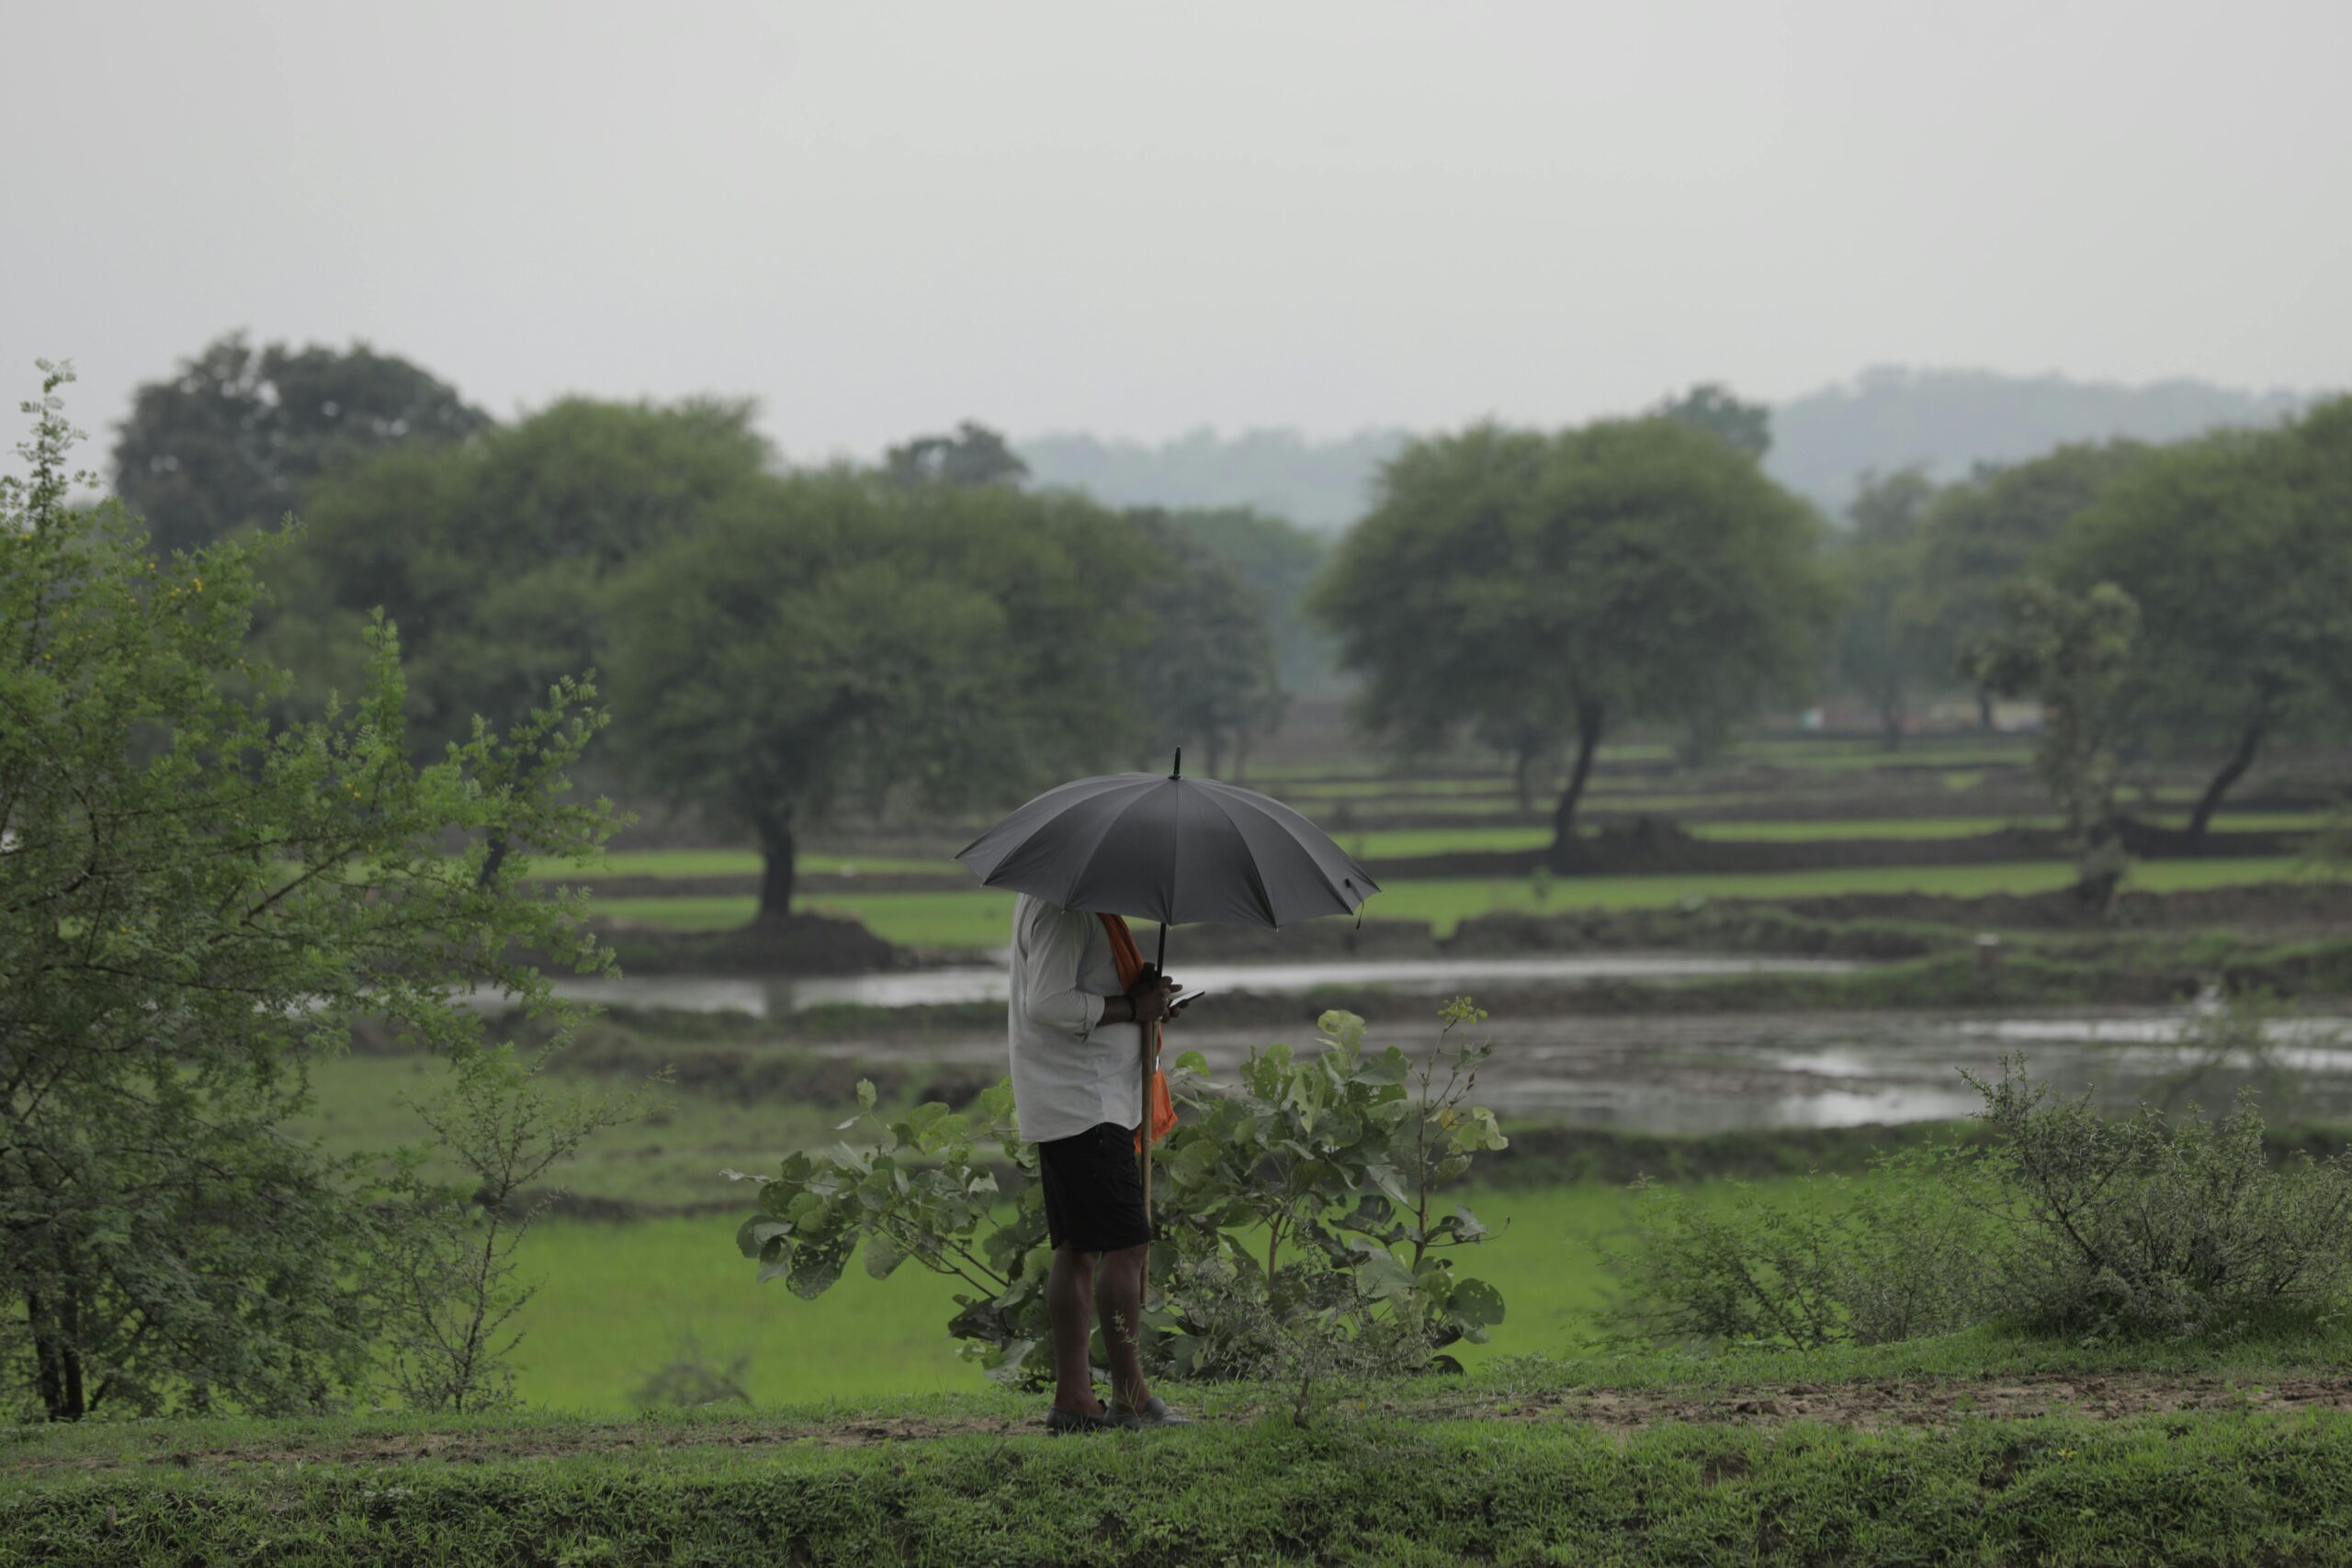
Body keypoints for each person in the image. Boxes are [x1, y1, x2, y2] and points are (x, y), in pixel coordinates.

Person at [1007, 890, 1194, 1433]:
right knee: (1126, 1242)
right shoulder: (1065, 909)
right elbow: (1048, 1002)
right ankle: (1129, 1396)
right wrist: (1133, 1009)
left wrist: (1142, 999)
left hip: (1079, 1098)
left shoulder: (1066, 903)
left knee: (1079, 1248)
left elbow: (1075, 989)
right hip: (1083, 1103)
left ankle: (1074, 1400)